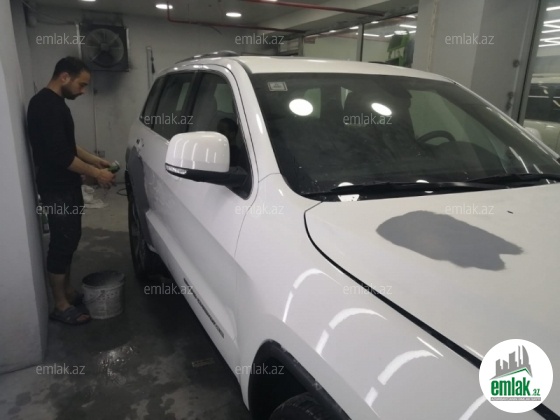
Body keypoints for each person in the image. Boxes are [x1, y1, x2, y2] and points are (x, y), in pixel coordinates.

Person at [27, 56, 115, 325]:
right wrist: (97, 174)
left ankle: (67, 291)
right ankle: (60, 305)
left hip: (66, 185)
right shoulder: (45, 106)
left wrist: (95, 160)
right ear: (64, 77)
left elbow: (69, 145)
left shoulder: (55, 104)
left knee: (70, 238)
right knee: (61, 243)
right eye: (81, 84)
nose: (83, 91)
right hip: (56, 188)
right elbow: (61, 156)